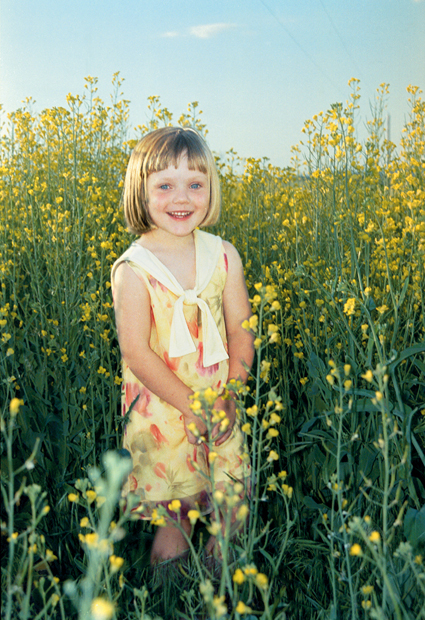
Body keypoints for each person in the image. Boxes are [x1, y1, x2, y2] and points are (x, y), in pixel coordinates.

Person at [111, 127, 254, 566]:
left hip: (220, 405)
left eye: (195, 184)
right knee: (178, 515)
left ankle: (212, 593)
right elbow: (136, 353)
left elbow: (242, 330)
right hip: (165, 412)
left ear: (211, 190)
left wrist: (229, 395)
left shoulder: (224, 255)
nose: (182, 198)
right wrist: (194, 408)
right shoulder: (133, 269)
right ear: (143, 192)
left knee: (235, 505)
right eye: (165, 186)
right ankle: (167, 602)